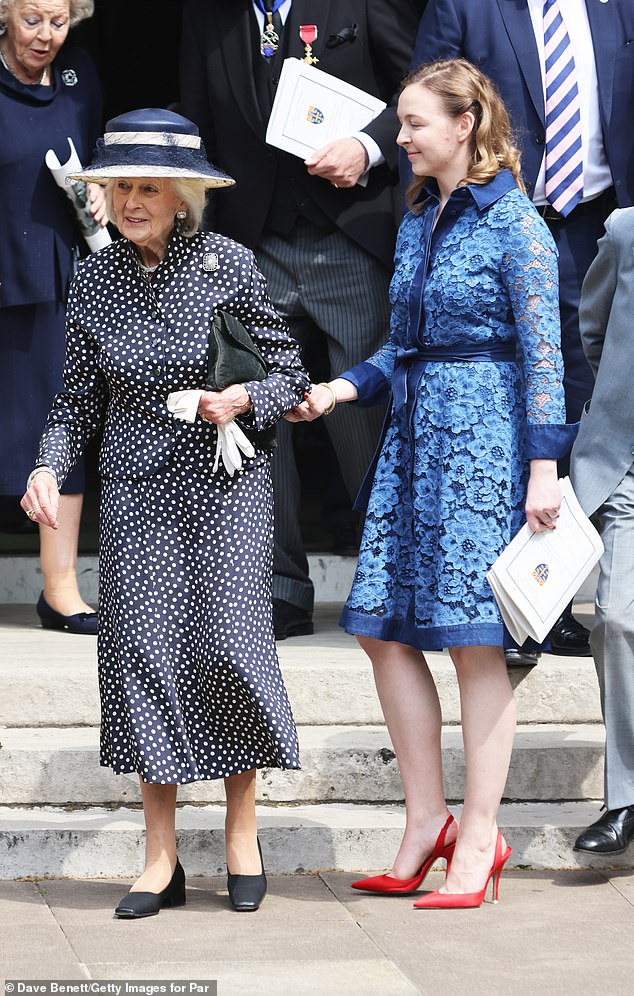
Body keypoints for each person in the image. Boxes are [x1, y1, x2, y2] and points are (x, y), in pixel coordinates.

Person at [289, 58, 576, 908]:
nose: (400, 138)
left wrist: (544, 468)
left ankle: (481, 836)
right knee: (380, 629)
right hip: (415, 443)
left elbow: (546, 357)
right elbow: (398, 342)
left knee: (476, 646)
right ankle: (426, 821)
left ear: (464, 125)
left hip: (485, 450)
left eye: (413, 123)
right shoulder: (417, 216)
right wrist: (342, 388)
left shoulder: (519, 224)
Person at [21, 108, 310, 916]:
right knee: (142, 655)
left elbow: (290, 376)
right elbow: (78, 398)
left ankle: (241, 830)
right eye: (118, 187)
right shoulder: (96, 277)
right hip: (139, 488)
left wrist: (246, 395)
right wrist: (47, 464)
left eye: (148, 187)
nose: (131, 201)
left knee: (226, 647)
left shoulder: (230, 266)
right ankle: (159, 860)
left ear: (183, 197)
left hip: (224, 488)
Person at [180, 0, 420, 640]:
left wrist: (370, 145)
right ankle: (277, 590)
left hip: (350, 234)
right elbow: (195, 122)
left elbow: (423, 84)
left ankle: (391, 581)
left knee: (364, 408)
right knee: (256, 410)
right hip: (251, 242)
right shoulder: (211, 16)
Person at [411, 0, 634, 666]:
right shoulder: (466, 6)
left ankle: (554, 595)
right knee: (511, 406)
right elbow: (426, 107)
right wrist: (434, 222)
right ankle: (513, 607)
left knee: (586, 401)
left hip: (602, 222)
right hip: (501, 215)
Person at [0, 0, 106, 634]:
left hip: (58, 273)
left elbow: (94, 151)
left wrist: (97, 184)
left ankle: (60, 589)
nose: (47, 36)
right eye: (32, 19)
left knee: (56, 424)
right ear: (4, 15)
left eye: (59, 22)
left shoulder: (80, 75)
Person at [569, 208, 634, 857]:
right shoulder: (625, 230)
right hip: (628, 460)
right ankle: (625, 799)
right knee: (614, 617)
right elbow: (593, 328)